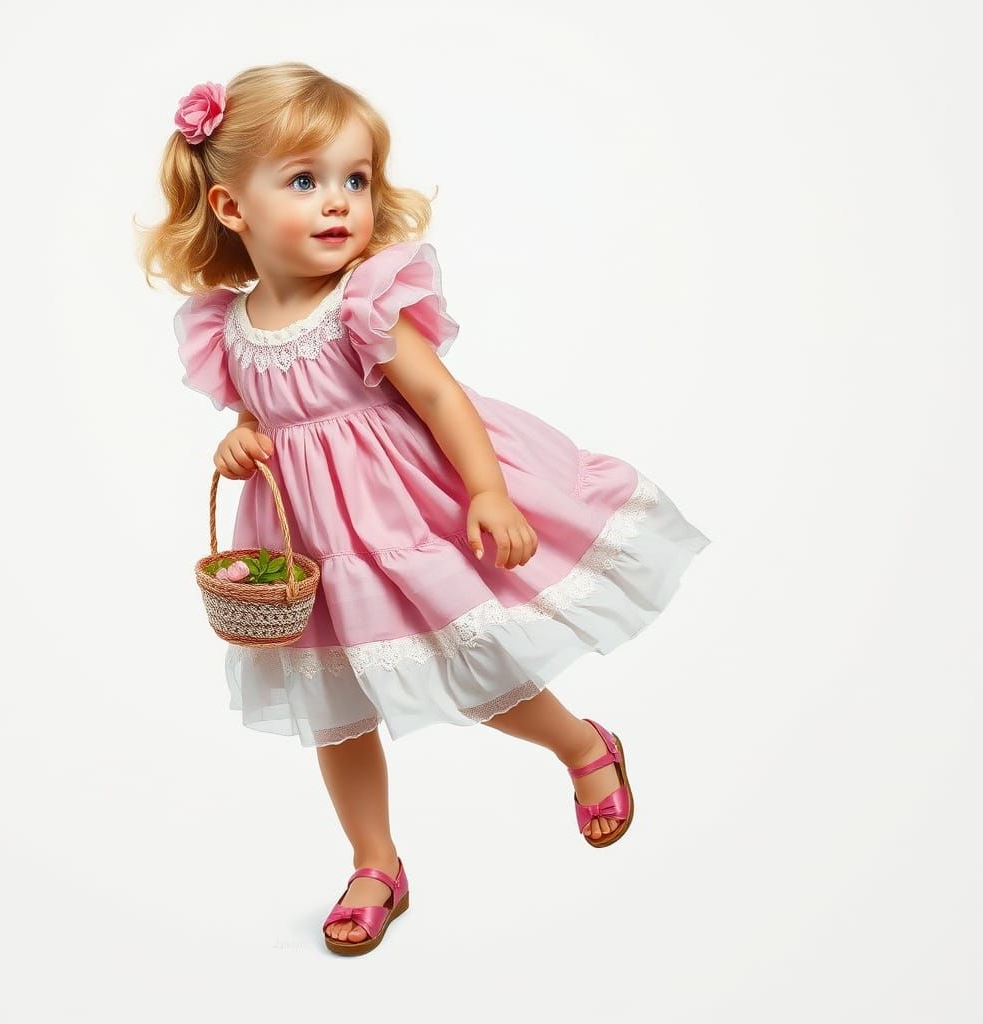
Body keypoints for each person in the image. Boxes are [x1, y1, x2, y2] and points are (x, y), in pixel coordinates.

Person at [137, 62, 711, 956]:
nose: (339, 202)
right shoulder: (231, 328)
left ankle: (580, 745)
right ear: (230, 207)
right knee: (337, 710)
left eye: (356, 179)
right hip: (313, 545)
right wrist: (239, 444)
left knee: (469, 661)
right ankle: (376, 863)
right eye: (305, 181)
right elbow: (260, 417)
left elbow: (440, 398)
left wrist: (488, 490)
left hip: (404, 518)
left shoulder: (362, 306)